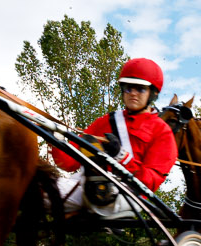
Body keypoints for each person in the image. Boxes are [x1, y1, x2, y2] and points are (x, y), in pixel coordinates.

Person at [49, 57, 178, 215]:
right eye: (128, 88)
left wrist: (121, 157)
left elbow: (150, 182)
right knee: (33, 191)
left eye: (140, 89)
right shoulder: (106, 121)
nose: (133, 94)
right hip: (89, 185)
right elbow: (69, 163)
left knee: (99, 195)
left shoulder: (162, 132)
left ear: (152, 93)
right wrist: (55, 140)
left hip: (129, 195)